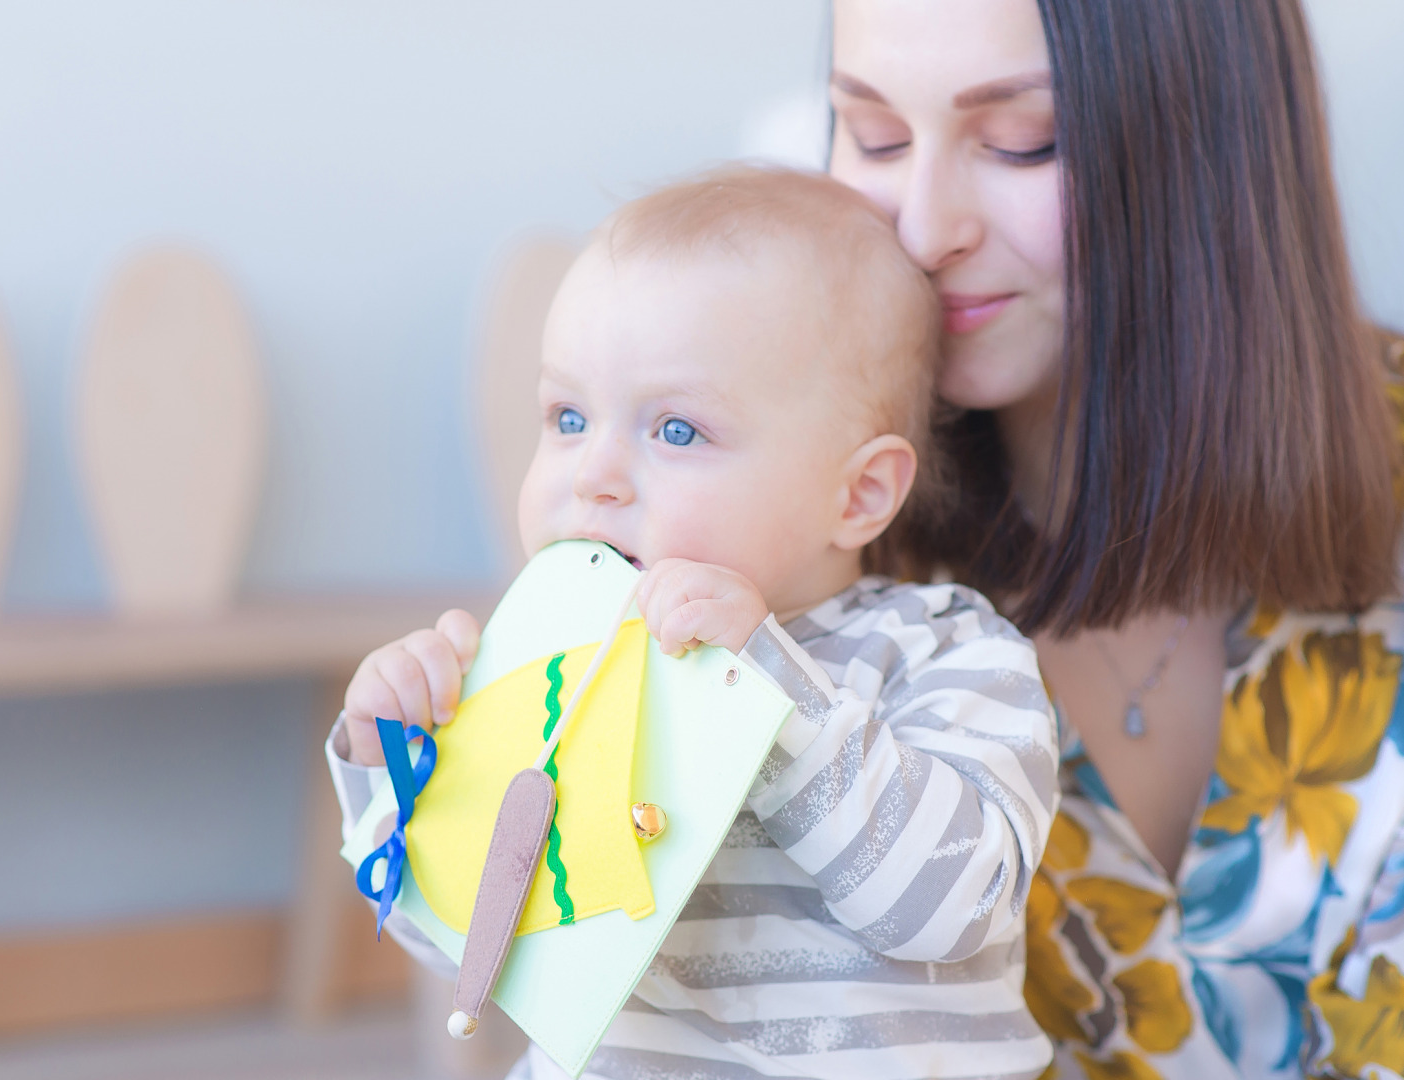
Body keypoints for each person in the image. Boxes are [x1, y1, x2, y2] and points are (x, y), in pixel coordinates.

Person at [329, 166, 1061, 1079]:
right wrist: (394, 763)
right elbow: (467, 953)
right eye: (565, 416)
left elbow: (952, 907)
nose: (592, 473)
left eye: (675, 431)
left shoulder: (946, 651)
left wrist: (768, 686)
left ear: (859, 493)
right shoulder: (559, 671)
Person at [824, 0, 1404, 1077]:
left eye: (1019, 140)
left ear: (1209, 134)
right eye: (875, 137)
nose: (921, 227)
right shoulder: (817, 552)